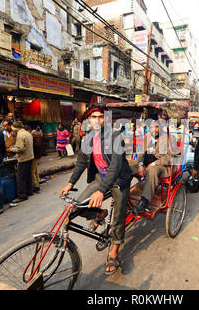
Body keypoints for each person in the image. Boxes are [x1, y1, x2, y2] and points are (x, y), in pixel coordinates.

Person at [60, 104, 132, 276]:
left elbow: (115, 166)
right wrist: (70, 183)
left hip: (119, 180)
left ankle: (114, 251)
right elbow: (81, 163)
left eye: (101, 117)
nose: (97, 120)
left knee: (119, 215)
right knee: (79, 207)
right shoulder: (87, 139)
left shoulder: (115, 136)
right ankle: (100, 214)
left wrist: (101, 192)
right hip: (100, 177)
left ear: (105, 119)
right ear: (88, 120)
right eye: (94, 117)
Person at [131, 120, 171, 214]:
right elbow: (140, 153)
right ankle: (122, 191)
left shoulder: (166, 139)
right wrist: (140, 164)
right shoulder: (147, 138)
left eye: (157, 127)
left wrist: (152, 164)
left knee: (152, 170)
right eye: (152, 127)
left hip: (159, 165)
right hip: (144, 163)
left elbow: (168, 158)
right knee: (126, 165)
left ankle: (144, 201)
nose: (155, 130)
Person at [8, 121, 34, 205]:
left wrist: (11, 149)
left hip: (23, 158)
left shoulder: (20, 135)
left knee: (20, 178)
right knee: (28, 175)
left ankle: (22, 195)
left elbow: (20, 149)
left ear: (15, 128)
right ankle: (29, 191)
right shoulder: (27, 133)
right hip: (30, 157)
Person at [27, 125, 43, 193]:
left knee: (32, 170)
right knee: (35, 169)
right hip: (38, 154)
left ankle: (36, 185)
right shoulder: (36, 134)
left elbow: (36, 145)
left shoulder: (34, 135)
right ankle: (38, 181)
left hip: (36, 155)